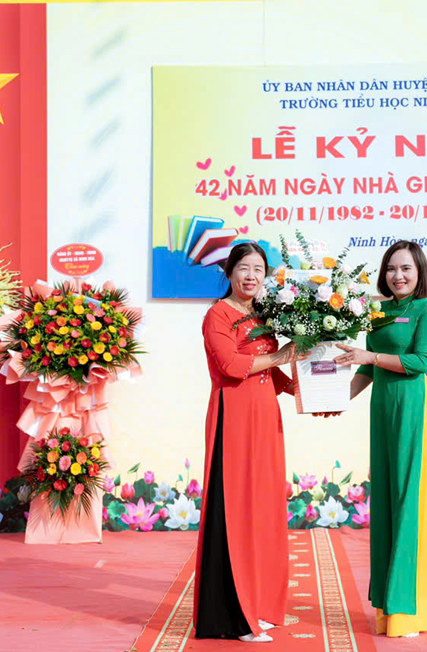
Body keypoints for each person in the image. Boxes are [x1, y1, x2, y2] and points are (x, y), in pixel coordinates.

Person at [331, 240, 427, 638]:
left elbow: (420, 361)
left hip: (414, 408)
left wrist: (370, 357)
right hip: (382, 408)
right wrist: (336, 400)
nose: (398, 275)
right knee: (385, 500)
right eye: (392, 269)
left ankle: (408, 610)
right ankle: (386, 606)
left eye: (406, 269)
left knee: (408, 500)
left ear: (420, 272)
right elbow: (367, 369)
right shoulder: (378, 312)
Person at [194, 242, 304, 643]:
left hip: (265, 419)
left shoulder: (264, 315)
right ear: (229, 272)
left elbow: (272, 375)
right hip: (234, 420)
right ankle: (235, 616)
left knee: (264, 509)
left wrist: (309, 393)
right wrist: (280, 358)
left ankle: (259, 605)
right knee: (236, 511)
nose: (251, 276)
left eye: (258, 269)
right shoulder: (217, 314)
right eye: (244, 268)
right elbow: (231, 365)